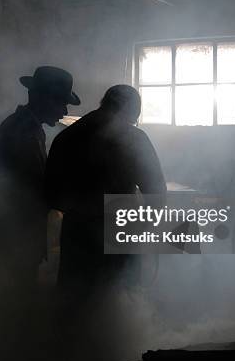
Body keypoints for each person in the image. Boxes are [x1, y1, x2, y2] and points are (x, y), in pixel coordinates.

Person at [45, 84, 166, 296]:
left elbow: (52, 195)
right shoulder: (134, 138)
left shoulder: (67, 137)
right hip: (119, 231)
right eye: (133, 118)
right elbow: (156, 192)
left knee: (74, 302)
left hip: (77, 233)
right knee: (116, 301)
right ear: (129, 110)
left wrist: (81, 208)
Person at [0, 66, 80, 292]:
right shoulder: (23, 132)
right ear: (43, 98)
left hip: (13, 234)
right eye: (60, 103)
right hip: (15, 238)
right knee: (14, 298)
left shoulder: (24, 125)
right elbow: (36, 186)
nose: (64, 111)